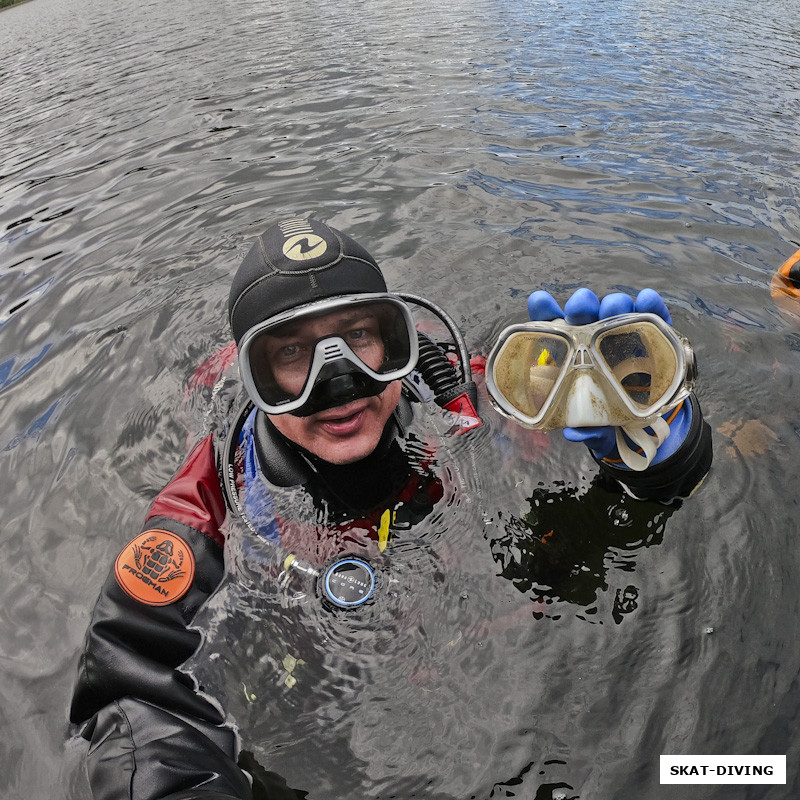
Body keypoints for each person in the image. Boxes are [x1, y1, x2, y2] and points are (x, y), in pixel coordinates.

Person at [69, 216, 712, 800]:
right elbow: (127, 671)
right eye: (292, 353)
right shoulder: (215, 483)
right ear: (256, 378)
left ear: (394, 341)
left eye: (358, 338)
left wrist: (658, 459)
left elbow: (590, 432)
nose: (341, 381)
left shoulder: (456, 402)